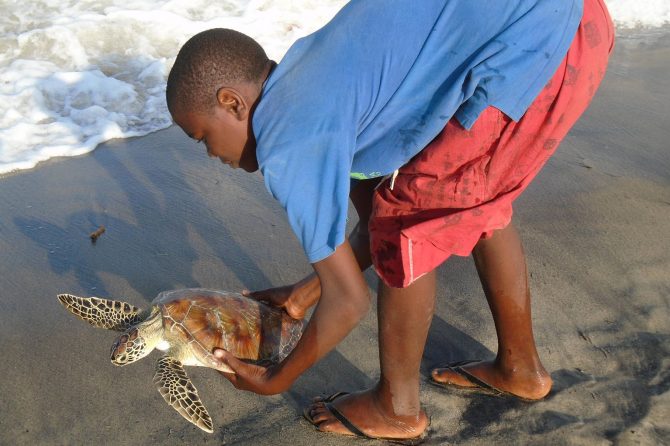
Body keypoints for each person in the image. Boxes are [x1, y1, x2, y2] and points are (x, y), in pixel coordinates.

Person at [165, 0, 614, 441]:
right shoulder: (308, 75)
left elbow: (350, 300)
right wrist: (302, 296)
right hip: (572, 22)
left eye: (202, 137)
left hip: (539, 48)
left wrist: (276, 379)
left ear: (233, 102)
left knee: (409, 223)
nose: (210, 155)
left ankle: (396, 409)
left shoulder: (288, 146)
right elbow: (372, 218)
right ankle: (520, 369)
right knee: (468, 200)